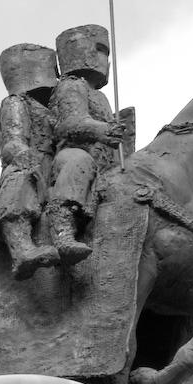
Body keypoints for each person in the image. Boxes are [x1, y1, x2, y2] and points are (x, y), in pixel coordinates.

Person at [47, 24, 124, 265]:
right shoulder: (71, 85)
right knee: (79, 162)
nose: (105, 59)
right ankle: (63, 231)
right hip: (74, 153)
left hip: (105, 162)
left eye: (107, 53)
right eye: (101, 50)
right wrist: (104, 130)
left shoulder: (100, 96)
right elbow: (70, 123)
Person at [0, 43, 60, 279]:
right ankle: (21, 249)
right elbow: (13, 141)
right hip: (29, 164)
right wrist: (27, 160)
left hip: (53, 165)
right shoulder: (15, 103)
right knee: (21, 181)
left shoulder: (50, 110)